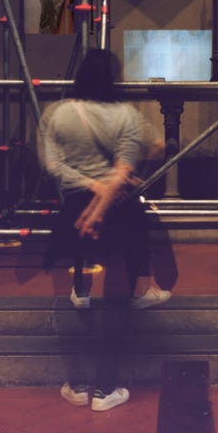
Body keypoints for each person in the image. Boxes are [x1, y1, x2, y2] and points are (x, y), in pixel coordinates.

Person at [39, 47, 170, 413]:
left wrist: (85, 183)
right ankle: (106, 389)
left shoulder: (56, 113)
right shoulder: (126, 115)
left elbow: (52, 165)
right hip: (120, 213)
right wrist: (105, 187)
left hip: (72, 209)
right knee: (116, 301)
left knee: (69, 301)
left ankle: (77, 382)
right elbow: (140, 157)